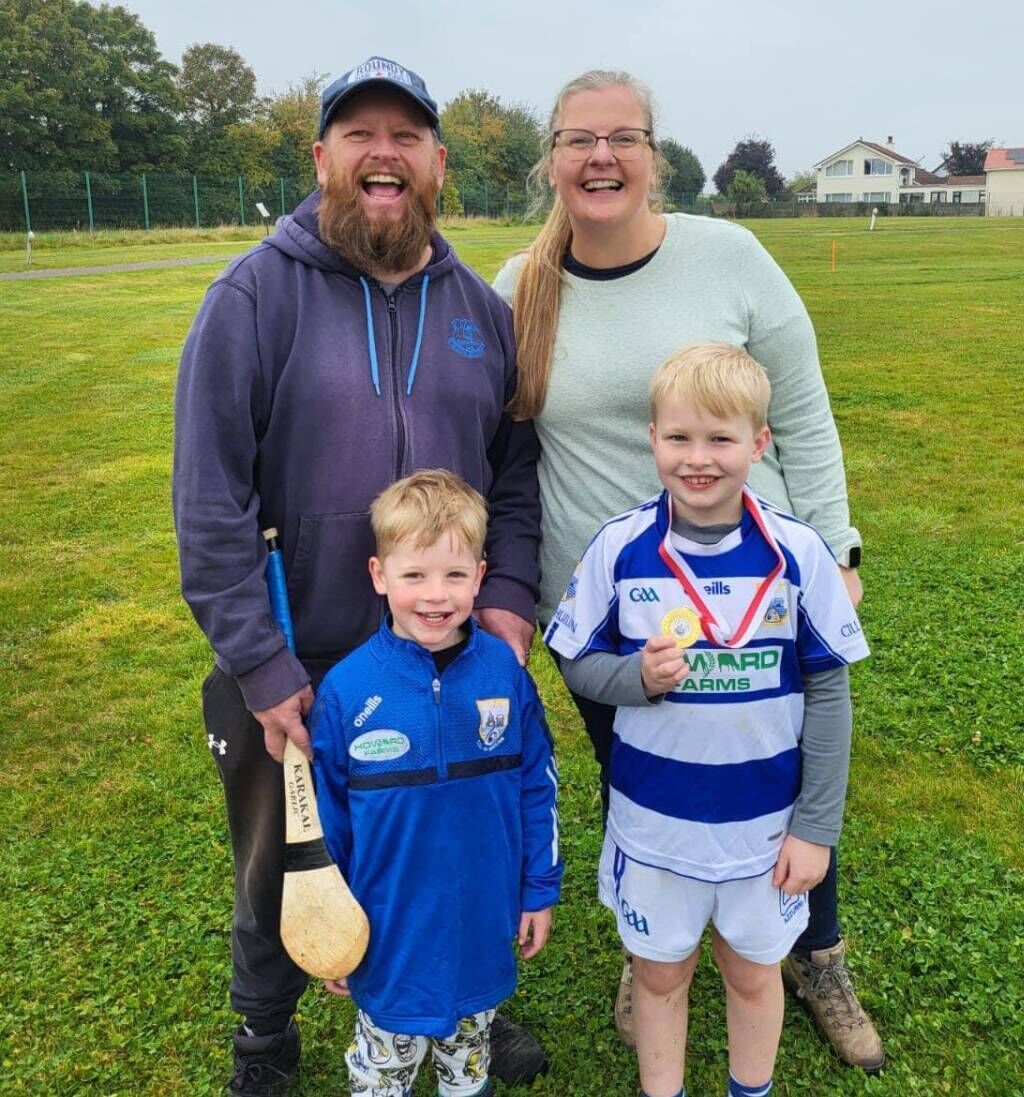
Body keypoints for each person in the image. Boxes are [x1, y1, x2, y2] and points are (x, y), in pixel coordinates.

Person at [493, 70, 883, 1071]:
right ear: (551, 158)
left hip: (755, 583)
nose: (601, 158)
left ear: (653, 154)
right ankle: (653, 944)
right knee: (642, 773)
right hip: (610, 605)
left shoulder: (730, 256)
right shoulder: (520, 287)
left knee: (778, 765)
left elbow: (803, 411)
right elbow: (500, 446)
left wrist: (835, 547)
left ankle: (814, 953)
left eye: (623, 137)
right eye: (579, 140)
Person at [173, 56, 547, 1096]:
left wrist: (506, 601)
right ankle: (265, 1034)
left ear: (438, 162)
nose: (384, 155)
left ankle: (453, 999)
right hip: (299, 654)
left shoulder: (480, 310)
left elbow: (516, 479)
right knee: (288, 854)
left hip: (444, 643)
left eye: (406, 136)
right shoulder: (253, 296)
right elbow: (208, 498)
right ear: (322, 157)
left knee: (450, 833)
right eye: (359, 134)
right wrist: (260, 664)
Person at [545, 342, 869, 1097]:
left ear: (760, 443)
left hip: (766, 833)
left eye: (721, 438)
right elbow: (575, 661)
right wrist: (635, 677)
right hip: (655, 827)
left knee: (754, 975)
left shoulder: (799, 554)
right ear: (652, 439)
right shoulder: (620, 548)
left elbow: (829, 695)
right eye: (678, 437)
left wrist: (816, 828)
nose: (697, 459)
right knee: (660, 977)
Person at [309, 469, 562, 1097]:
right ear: (379, 576)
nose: (435, 595)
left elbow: (537, 787)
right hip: (387, 936)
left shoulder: (504, 673)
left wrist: (538, 889)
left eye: (454, 575)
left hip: (482, 926)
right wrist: (330, 926)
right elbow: (326, 823)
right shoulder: (346, 691)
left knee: (469, 1060)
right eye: (414, 575)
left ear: (480, 577)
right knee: (383, 1074)